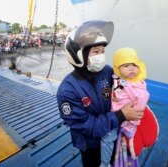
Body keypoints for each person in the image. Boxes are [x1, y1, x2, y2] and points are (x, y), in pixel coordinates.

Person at [56, 20, 144, 167]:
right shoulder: (67, 91)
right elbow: (86, 125)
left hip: (113, 134)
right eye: (95, 52)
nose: (101, 56)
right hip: (91, 145)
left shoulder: (107, 71)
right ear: (78, 55)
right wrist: (121, 115)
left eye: (102, 51)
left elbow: (123, 90)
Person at [102, 48, 159, 167]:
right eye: (126, 65)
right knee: (108, 138)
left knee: (113, 138)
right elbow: (117, 90)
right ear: (118, 68)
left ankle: (109, 162)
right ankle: (105, 162)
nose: (132, 68)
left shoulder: (137, 83)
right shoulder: (120, 80)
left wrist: (133, 121)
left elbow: (142, 98)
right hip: (116, 115)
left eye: (134, 65)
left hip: (130, 118)